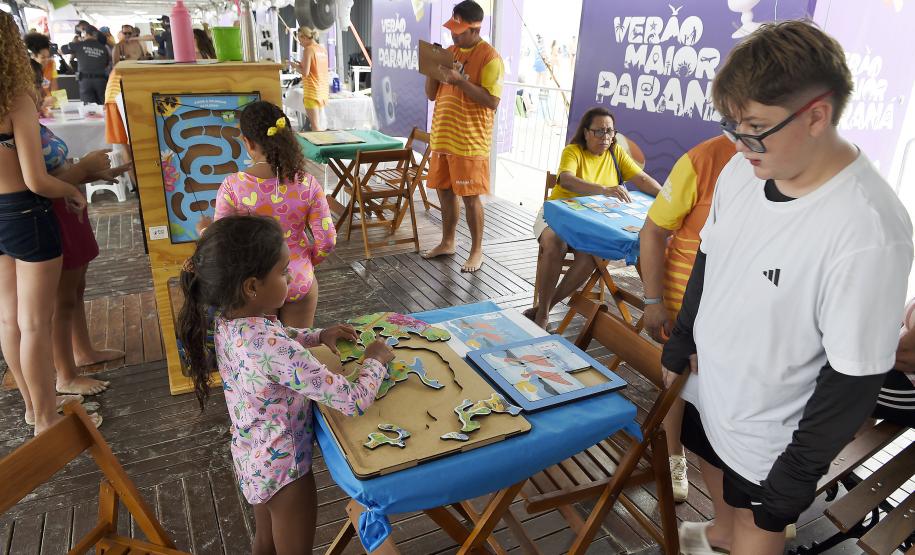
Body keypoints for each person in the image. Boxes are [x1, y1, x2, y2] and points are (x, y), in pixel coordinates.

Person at [662, 21, 913, 555]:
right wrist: (683, 339)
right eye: (730, 124)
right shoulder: (741, 169)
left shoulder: (868, 230)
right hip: (714, 389)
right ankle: (721, 535)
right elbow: (711, 252)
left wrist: (796, 476)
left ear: (817, 115)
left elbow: (854, 376)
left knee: (759, 531)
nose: (738, 142)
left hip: (773, 433)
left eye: (753, 127)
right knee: (718, 491)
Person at [177, 215, 393, 554]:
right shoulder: (271, 345)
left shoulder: (227, 321)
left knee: (264, 543)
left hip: (252, 454)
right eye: (282, 271)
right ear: (252, 287)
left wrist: (319, 335)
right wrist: (375, 361)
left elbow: (278, 340)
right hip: (286, 471)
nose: (290, 275)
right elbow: (353, 399)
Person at [0, 12, 88, 435]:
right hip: (24, 212)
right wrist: (70, 190)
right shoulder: (15, 98)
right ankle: (46, 418)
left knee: (9, 320)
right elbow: (36, 178)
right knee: (35, 321)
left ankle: (31, 407)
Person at [639, 134, 735, 502]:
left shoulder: (786, 159)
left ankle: (733, 480)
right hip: (685, 298)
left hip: (737, 306)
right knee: (676, 380)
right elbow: (653, 229)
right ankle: (674, 456)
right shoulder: (703, 159)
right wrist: (653, 300)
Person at [525, 106, 661, 328]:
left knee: (591, 255)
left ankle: (545, 307)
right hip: (558, 213)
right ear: (586, 132)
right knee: (553, 243)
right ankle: (543, 316)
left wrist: (667, 200)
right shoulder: (573, 151)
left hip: (592, 221)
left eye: (610, 131)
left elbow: (643, 179)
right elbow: (566, 180)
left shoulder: (616, 153)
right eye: (599, 131)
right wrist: (604, 189)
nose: (605, 137)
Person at [213, 101, 335, 328]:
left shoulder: (232, 187)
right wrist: (305, 261)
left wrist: (203, 230)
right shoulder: (307, 183)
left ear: (247, 142)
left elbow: (222, 243)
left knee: (264, 357)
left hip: (256, 284)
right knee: (300, 350)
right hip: (299, 277)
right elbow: (327, 241)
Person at [422, 0, 503, 273]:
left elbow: (492, 102)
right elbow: (431, 95)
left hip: (470, 141)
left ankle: (477, 250)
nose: (454, 34)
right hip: (443, 136)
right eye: (452, 28)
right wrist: (432, 68)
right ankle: (448, 241)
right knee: (444, 191)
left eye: (459, 29)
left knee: (470, 197)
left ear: (475, 28)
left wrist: (460, 81)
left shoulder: (490, 58)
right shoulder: (449, 51)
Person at [61, 26, 110, 105]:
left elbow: (63, 49)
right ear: (96, 35)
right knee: (103, 105)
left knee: (89, 109)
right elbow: (106, 63)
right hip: (101, 80)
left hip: (85, 81)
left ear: (85, 34)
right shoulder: (103, 48)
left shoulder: (79, 45)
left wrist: (75, 43)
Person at [294, 27, 329, 131]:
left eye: (300, 41)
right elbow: (317, 68)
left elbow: (305, 72)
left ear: (304, 37)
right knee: (320, 124)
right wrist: (301, 65)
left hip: (312, 92)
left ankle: (321, 146)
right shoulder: (322, 49)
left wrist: (294, 66)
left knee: (315, 126)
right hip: (322, 91)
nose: (300, 44)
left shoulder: (308, 50)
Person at [24, 33, 57, 101]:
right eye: (43, 57)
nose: (47, 60)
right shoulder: (27, 69)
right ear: (33, 55)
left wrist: (55, 99)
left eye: (48, 56)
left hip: (48, 103)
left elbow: (54, 84)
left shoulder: (51, 63)